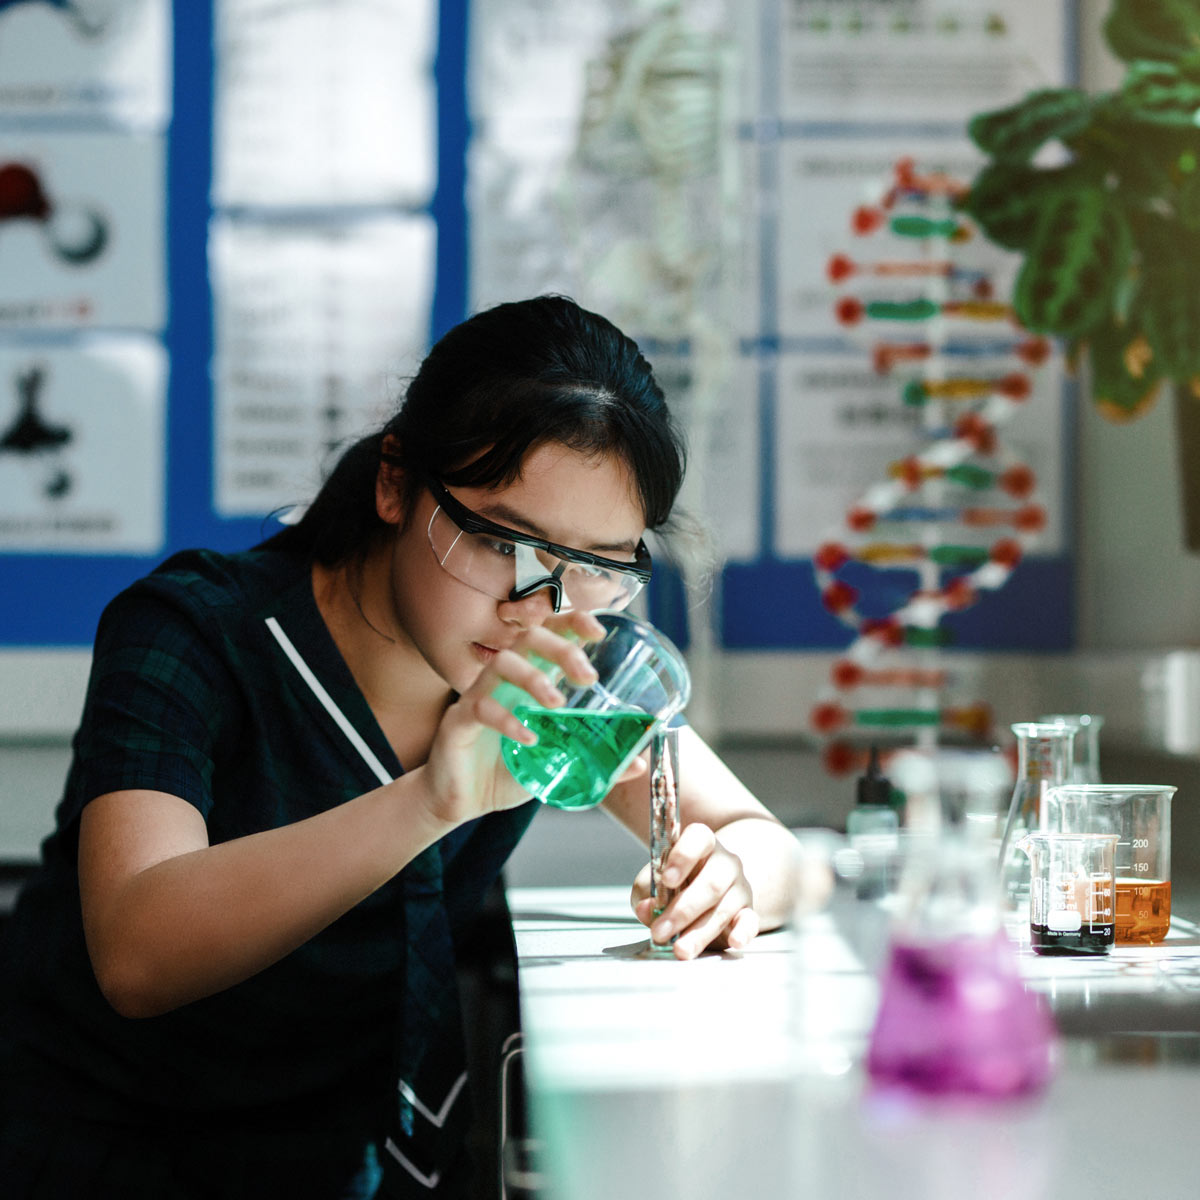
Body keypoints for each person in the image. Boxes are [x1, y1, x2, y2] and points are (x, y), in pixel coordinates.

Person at [0, 295, 799, 1198]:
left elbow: (774, 849)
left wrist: (725, 879)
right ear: (395, 483)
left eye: (600, 566)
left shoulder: (570, 665)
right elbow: (136, 953)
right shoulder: (193, 634)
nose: (540, 605)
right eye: (502, 541)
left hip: (372, 1161)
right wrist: (430, 801)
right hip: (124, 1159)